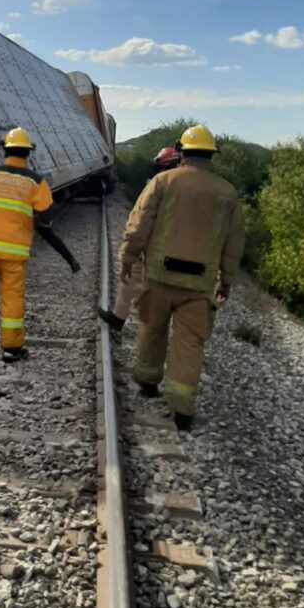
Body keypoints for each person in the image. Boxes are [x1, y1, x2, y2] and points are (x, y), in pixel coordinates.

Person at [119, 125, 244, 430]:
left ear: (181, 150)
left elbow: (139, 224)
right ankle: (182, 409)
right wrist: (226, 281)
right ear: (211, 155)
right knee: (189, 344)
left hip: (159, 275)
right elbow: (233, 244)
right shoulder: (227, 194)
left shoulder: (163, 181)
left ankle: (148, 383)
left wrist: (128, 256)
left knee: (152, 328)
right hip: (199, 285)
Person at [0, 127, 80, 362]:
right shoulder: (36, 182)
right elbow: (47, 217)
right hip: (14, 254)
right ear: (27, 153)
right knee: (12, 297)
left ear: (5, 150)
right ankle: (11, 348)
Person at [97, 146, 181, 333]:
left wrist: (130, 251)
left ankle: (120, 317)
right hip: (178, 251)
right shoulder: (187, 188)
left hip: (153, 249)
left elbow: (141, 221)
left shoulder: (158, 185)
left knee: (133, 276)